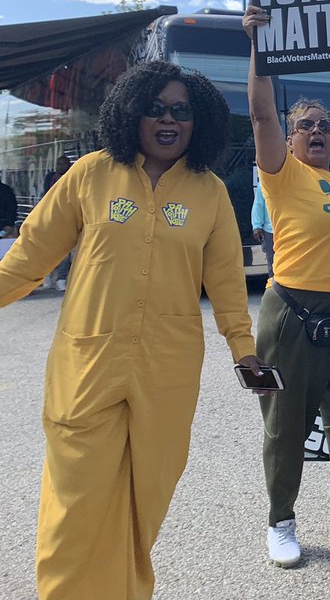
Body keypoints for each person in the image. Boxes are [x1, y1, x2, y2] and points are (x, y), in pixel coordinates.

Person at [0, 61, 263, 599]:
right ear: (131, 113)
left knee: (146, 502)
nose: (168, 120)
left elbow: (227, 282)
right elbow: (28, 258)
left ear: (199, 121)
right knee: (75, 504)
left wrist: (244, 349)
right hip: (87, 366)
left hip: (167, 373)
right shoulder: (91, 174)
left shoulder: (208, 191)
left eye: (182, 111)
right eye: (156, 108)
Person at [242, 5, 330, 569]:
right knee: (286, 424)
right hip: (291, 312)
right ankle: (281, 521)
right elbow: (259, 115)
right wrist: (260, 49)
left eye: (326, 125)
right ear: (291, 138)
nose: (318, 131)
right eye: (307, 125)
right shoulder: (281, 173)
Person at [39, 154, 74, 289]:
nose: (60, 166)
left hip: (67, 217)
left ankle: (61, 278)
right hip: (50, 216)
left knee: (65, 250)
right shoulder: (50, 177)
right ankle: (47, 275)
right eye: (58, 164)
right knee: (48, 248)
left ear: (69, 165)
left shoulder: (73, 176)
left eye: (63, 164)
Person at [250, 179, 275, 280]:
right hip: (270, 231)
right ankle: (275, 291)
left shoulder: (293, 178)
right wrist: (257, 226)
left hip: (290, 229)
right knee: (273, 265)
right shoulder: (265, 181)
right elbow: (258, 204)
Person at [0, 174, 15, 239]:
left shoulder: (5, 191)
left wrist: (8, 225)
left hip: (3, 228)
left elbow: (11, 210)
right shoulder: (6, 190)